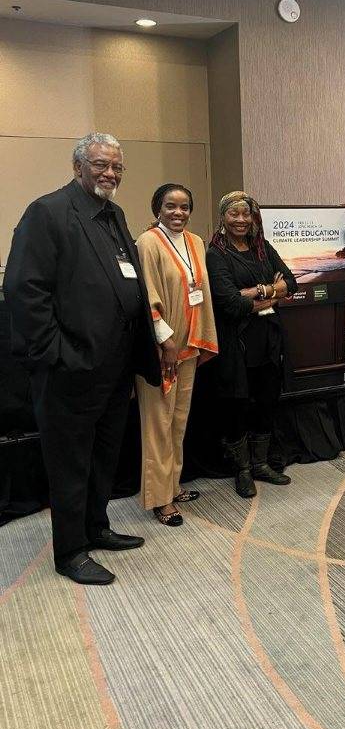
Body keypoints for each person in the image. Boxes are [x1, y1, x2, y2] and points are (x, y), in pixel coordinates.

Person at [3, 133, 160, 585]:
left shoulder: (113, 213)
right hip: (69, 369)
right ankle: (70, 552)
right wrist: (57, 354)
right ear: (77, 167)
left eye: (116, 167)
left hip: (113, 367)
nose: (110, 173)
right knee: (70, 463)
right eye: (100, 165)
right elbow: (24, 290)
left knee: (103, 457)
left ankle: (96, 527)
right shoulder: (47, 212)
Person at [135, 184, 218, 526]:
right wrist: (164, 339)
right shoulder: (148, 242)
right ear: (157, 208)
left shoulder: (196, 242)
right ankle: (159, 499)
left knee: (178, 420)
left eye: (185, 207)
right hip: (162, 349)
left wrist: (196, 339)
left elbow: (201, 290)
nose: (178, 213)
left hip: (189, 345)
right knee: (158, 422)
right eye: (170, 206)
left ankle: (173, 484)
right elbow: (145, 294)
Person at [206, 191, 298, 496]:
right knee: (237, 406)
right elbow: (229, 303)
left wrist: (254, 292)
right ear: (223, 217)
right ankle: (242, 470)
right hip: (236, 343)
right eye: (234, 214)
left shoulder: (262, 248)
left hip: (269, 341)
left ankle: (261, 464)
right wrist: (271, 291)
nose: (241, 220)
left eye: (246, 214)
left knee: (266, 402)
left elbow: (292, 283)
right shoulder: (216, 254)